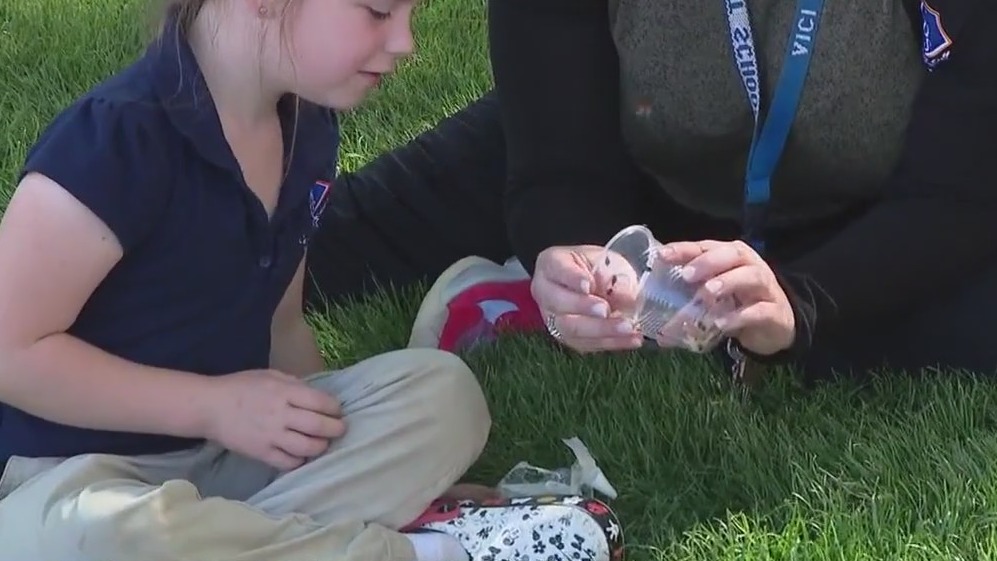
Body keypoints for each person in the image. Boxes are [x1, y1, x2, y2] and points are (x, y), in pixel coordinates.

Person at [0, 0, 495, 560]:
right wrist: (212, 407)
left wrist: (328, 445)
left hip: (231, 457)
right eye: (378, 11)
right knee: (90, 539)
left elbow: (282, 326)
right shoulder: (116, 138)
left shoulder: (307, 130)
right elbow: (10, 352)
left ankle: (256, 541)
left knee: (442, 395)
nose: (406, 41)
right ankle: (421, 551)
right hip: (76, 480)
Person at [305, 0, 997, 381]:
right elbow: (558, 164)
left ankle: (719, 329)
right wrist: (569, 248)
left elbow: (958, 196)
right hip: (633, 157)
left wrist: (802, 305)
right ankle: (545, 291)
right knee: (306, 253)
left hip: (868, 209)